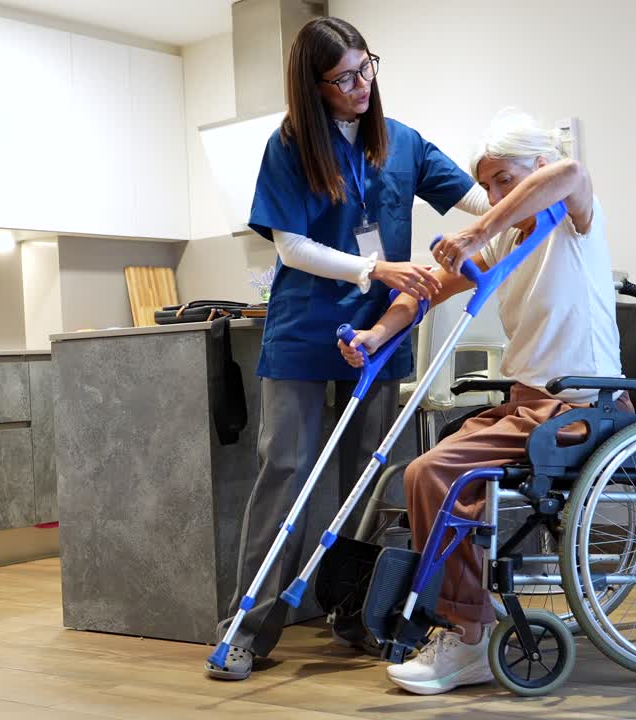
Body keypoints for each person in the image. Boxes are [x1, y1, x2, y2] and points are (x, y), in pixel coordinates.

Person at [205, 16, 489, 681]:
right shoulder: (290, 146)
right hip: (307, 330)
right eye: (343, 78)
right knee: (288, 473)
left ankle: (356, 612)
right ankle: (249, 627)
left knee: (370, 474)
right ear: (314, 84)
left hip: (384, 330)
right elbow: (291, 247)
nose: (361, 86)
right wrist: (374, 270)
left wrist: (530, 191)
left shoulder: (405, 143)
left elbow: (477, 201)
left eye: (367, 69)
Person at [338, 109, 633, 695]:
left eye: (505, 179)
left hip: (581, 409)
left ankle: (467, 633)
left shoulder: (574, 221)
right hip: (528, 405)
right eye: (489, 184)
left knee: (431, 472)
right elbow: (427, 288)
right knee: (432, 469)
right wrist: (375, 336)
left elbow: (572, 172)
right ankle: (468, 617)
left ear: (537, 169)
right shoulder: (508, 241)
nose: (495, 195)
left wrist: (474, 231)